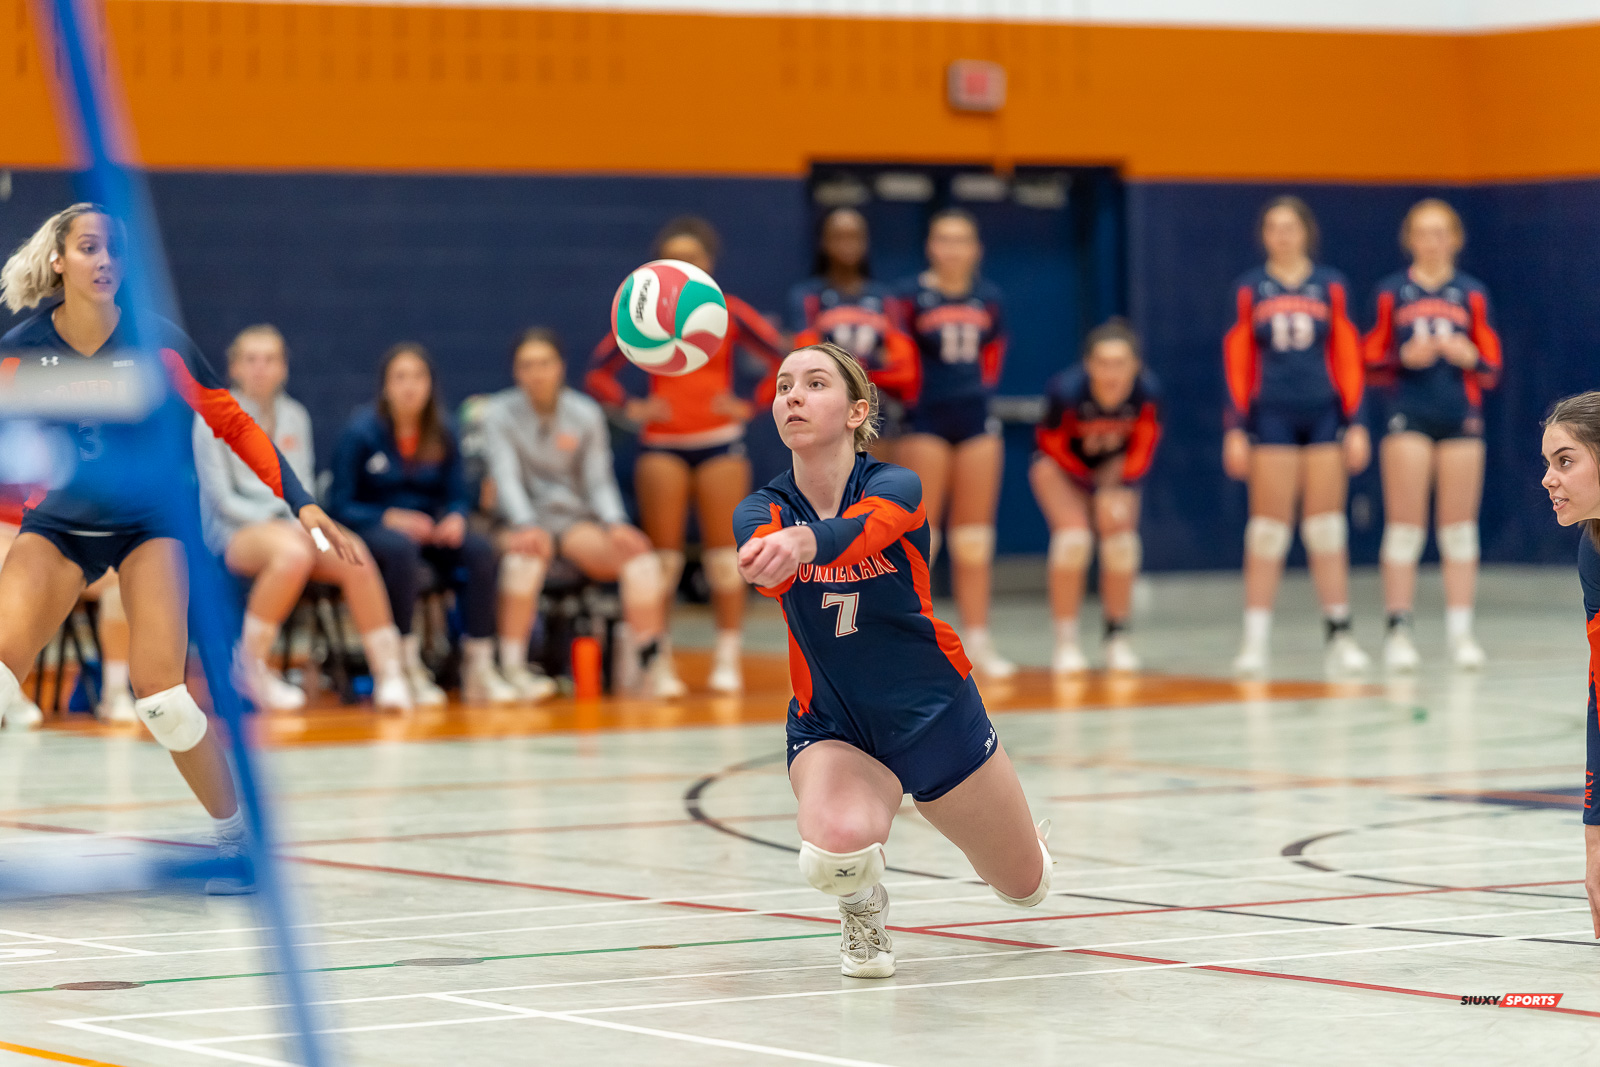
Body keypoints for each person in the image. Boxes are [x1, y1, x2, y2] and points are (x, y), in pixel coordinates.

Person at [0, 202, 353, 893]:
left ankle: (240, 835)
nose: (105, 261)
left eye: (115, 250)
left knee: (162, 697)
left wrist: (301, 499)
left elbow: (235, 423)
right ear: (59, 261)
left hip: (150, 525)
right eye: (90, 247)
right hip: (61, 526)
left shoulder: (155, 343)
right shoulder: (20, 350)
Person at [734, 340, 1052, 979]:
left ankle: (1022, 844)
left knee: (1026, 889)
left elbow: (870, 529)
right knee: (832, 849)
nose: (792, 395)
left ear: (857, 412)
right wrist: (769, 559)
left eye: (815, 384)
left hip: (937, 713)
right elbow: (766, 570)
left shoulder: (896, 484)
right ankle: (863, 907)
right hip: (835, 727)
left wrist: (807, 543)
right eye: (783, 385)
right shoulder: (760, 509)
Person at [586, 216, 785, 695]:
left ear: (709, 262)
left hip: (720, 439)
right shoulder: (643, 309)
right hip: (662, 442)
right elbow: (597, 373)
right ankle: (662, 658)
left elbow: (784, 355)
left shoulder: (727, 311)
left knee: (725, 557)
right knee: (665, 561)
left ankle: (728, 655)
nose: (686, 263)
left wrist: (751, 403)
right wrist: (632, 406)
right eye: (675, 255)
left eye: (694, 256)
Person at [192, 324, 411, 711]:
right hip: (235, 531)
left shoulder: (295, 416)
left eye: (270, 359)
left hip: (291, 525)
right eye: (250, 359)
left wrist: (295, 518)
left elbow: (302, 484)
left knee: (353, 551)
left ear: (284, 368)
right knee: (293, 554)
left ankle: (390, 672)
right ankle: (249, 666)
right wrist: (278, 520)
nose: (260, 368)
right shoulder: (211, 416)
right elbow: (222, 499)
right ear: (234, 368)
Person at [1223, 196, 1371, 676]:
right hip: (1271, 416)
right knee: (1267, 530)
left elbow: (1348, 355)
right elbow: (1238, 360)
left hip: (1324, 414)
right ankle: (1255, 641)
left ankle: (1339, 633)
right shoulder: (1251, 288)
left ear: (1306, 232)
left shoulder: (1331, 285)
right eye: (1273, 227)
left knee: (1326, 527)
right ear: (1263, 235)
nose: (1282, 236)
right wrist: (1236, 428)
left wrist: (1357, 422)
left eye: (1290, 227)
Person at [481, 329, 667, 695]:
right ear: (516, 372)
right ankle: (513, 668)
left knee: (639, 560)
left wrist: (615, 523)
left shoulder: (585, 413)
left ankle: (650, 664)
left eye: (544, 363)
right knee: (525, 559)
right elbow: (505, 477)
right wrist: (525, 524)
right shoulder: (499, 413)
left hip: (572, 521)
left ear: (560, 368)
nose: (537, 372)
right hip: (519, 519)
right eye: (527, 365)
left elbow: (599, 480)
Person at [328, 343, 514, 705]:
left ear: (430, 384)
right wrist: (388, 516)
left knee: (479, 550)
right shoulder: (361, 432)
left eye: (418, 377)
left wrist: (456, 517)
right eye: (400, 378)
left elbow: (458, 493)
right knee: (401, 549)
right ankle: (406, 662)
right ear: (385, 386)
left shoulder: (443, 430)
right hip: (376, 529)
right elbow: (338, 504)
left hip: (429, 530)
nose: (409, 386)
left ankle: (479, 665)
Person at [1366, 199, 1501, 671]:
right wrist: (1406, 357)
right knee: (1404, 529)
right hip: (1409, 415)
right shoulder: (1392, 292)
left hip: (1460, 416)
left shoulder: (1471, 293)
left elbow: (1491, 365)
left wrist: (1468, 355)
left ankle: (1461, 632)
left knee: (1459, 531)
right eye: (1423, 232)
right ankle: (1399, 629)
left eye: (1441, 231)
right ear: (1410, 239)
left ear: (1455, 239)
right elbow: (1371, 360)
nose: (1432, 241)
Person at [891, 208, 1014, 677]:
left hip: (975, 419)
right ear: (930, 246)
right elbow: (899, 359)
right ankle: (914, 640)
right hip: (925, 418)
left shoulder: (989, 298)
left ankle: (978, 640)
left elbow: (993, 358)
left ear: (976, 249)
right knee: (923, 537)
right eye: (944, 239)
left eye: (962, 240)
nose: (953, 249)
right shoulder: (908, 296)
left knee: (975, 538)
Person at [1031, 319, 1161, 674]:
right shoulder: (1067, 391)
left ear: (1135, 365)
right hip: (1060, 469)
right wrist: (1093, 492)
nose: (1111, 373)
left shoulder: (1147, 392)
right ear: (1089, 365)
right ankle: (1066, 642)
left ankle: (1117, 637)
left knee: (1122, 543)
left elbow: (1144, 447)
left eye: (1120, 363)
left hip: (1113, 470)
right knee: (1073, 540)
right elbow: (1052, 446)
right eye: (1102, 363)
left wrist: (1121, 489)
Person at [1536, 392, 1600, 938]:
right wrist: (1596, 840)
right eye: (1548, 464)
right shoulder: (1592, 552)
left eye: (1566, 460)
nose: (1548, 479)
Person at [788, 207, 920, 463]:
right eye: (838, 236)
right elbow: (807, 363)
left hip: (878, 420)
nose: (847, 244)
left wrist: (837, 364)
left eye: (854, 236)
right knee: (829, 503)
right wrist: (875, 361)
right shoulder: (807, 296)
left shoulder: (885, 298)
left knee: (874, 500)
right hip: (822, 419)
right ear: (824, 243)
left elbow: (906, 371)